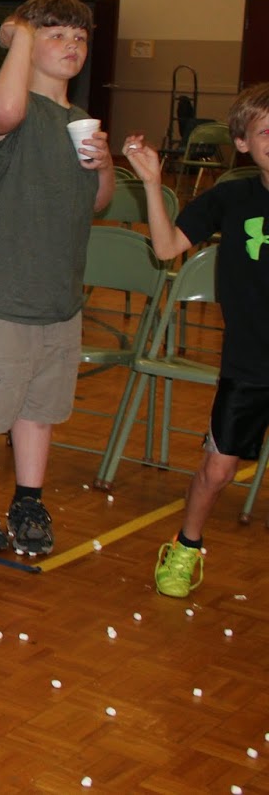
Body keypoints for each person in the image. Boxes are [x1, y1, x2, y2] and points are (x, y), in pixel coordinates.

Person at [0, 0, 114, 557]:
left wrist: (104, 162)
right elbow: (4, 111)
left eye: (80, 38)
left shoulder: (75, 122)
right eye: (57, 34)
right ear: (28, 44)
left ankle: (28, 499)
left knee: (40, 407)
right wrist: (16, 36)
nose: (72, 45)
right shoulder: (18, 112)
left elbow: (97, 203)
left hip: (58, 299)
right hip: (1, 294)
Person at [124, 83, 269, 599]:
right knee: (218, 468)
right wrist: (152, 181)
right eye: (265, 130)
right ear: (244, 143)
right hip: (251, 363)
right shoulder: (232, 196)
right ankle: (187, 546)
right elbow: (166, 248)